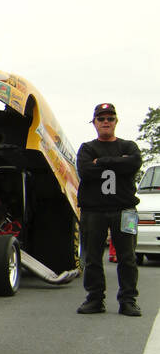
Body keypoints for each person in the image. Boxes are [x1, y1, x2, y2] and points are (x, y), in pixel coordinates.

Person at [76, 102, 142, 316]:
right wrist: (117, 163)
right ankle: (95, 299)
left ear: (116, 121)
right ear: (94, 122)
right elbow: (86, 171)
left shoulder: (129, 146)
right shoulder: (87, 148)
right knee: (93, 257)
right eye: (101, 118)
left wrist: (102, 162)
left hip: (126, 210)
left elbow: (133, 163)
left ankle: (128, 300)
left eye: (110, 118)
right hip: (93, 211)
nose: (106, 122)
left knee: (128, 257)